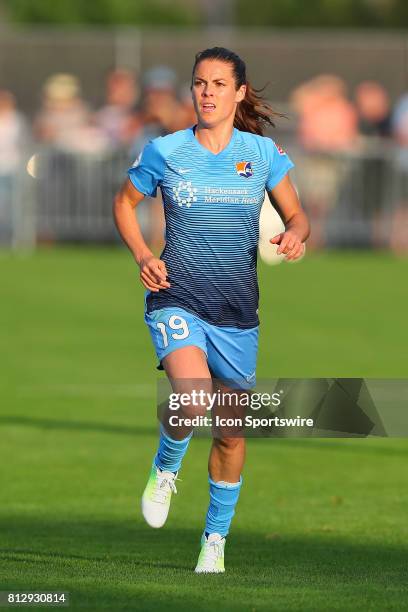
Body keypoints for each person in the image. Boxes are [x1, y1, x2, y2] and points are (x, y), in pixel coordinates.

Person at [113, 47, 310, 573]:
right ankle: (165, 469)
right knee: (192, 395)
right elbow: (124, 203)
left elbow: (298, 215)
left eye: (219, 84)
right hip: (176, 296)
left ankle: (214, 540)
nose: (207, 92)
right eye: (200, 83)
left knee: (230, 432)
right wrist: (142, 254)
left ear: (239, 92)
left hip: (238, 311)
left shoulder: (262, 153)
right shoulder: (166, 150)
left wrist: (294, 233)